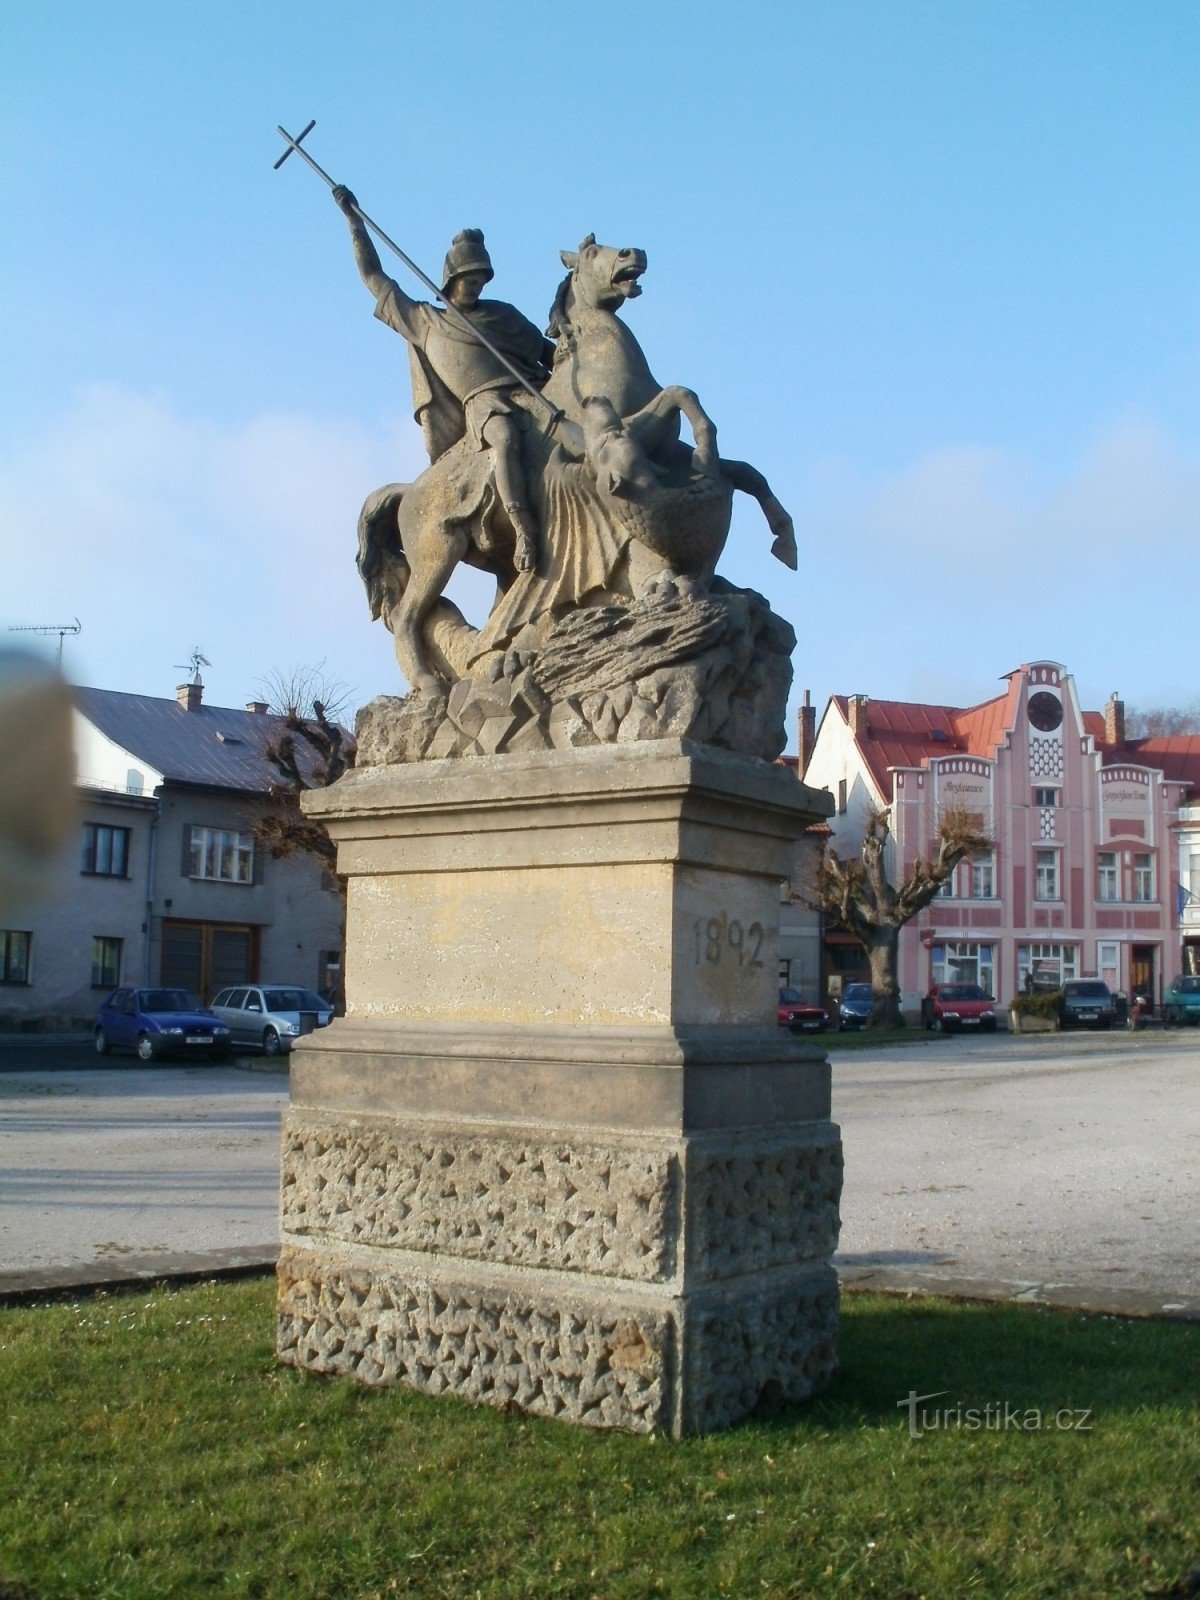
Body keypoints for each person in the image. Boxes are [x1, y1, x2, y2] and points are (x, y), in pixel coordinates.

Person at [333, 189, 555, 570]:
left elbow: (548, 354)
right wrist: (355, 223)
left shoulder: (504, 315)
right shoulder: (426, 321)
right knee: (503, 437)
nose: (477, 285)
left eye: (482, 279)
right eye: (470, 278)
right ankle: (523, 528)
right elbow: (373, 277)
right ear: (452, 277)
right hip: (484, 405)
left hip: (531, 390)